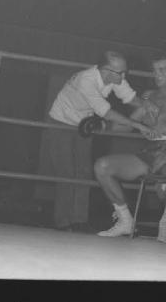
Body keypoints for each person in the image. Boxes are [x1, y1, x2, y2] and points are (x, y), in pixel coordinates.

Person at [94, 55, 166, 242]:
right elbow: (129, 124)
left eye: (162, 70)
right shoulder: (149, 97)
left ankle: (165, 223)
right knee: (102, 166)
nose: (157, 74)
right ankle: (125, 221)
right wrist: (101, 125)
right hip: (148, 153)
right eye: (154, 70)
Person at [43, 51, 152, 232]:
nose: (124, 76)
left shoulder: (115, 77)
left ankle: (79, 221)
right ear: (106, 70)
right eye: (120, 73)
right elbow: (106, 113)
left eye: (125, 72)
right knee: (66, 173)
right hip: (60, 122)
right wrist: (137, 124)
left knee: (84, 171)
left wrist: (149, 106)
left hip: (83, 124)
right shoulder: (87, 80)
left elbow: (131, 98)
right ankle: (63, 223)